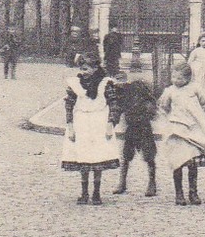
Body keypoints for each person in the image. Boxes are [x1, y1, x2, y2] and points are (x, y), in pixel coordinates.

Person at [158, 59, 205, 206]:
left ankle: (193, 192)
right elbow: (164, 106)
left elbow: (204, 102)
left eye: (179, 78)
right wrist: (170, 119)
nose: (176, 80)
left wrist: (199, 115)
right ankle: (179, 193)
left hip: (193, 129)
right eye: (173, 77)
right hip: (177, 129)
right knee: (177, 161)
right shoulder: (170, 91)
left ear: (188, 78)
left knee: (192, 162)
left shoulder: (195, 88)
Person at [62, 52, 120, 205]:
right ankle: (84, 192)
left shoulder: (105, 83)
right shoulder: (75, 84)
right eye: (81, 68)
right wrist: (70, 126)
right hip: (82, 123)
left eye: (86, 68)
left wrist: (110, 124)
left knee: (97, 157)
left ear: (95, 68)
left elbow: (114, 104)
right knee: (83, 157)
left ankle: (96, 192)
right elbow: (69, 105)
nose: (83, 72)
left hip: (99, 122)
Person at [111, 53, 158, 197]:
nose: (120, 84)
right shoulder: (118, 94)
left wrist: (148, 113)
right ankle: (122, 182)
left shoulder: (138, 87)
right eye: (117, 82)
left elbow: (151, 102)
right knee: (126, 156)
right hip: (131, 126)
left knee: (149, 155)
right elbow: (117, 109)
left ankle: (152, 183)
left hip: (144, 125)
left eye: (122, 81)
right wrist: (112, 121)